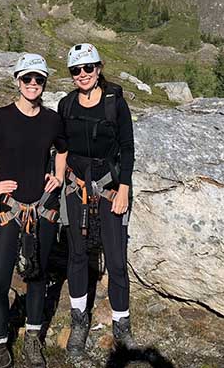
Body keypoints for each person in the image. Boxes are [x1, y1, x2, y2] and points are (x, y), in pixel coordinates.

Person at [0, 53, 67, 368]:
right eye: (27, 78)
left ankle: (32, 338)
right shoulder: (0, 118)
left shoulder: (52, 120)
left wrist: (59, 176)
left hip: (43, 210)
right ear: (18, 81)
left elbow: (63, 150)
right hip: (10, 210)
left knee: (37, 276)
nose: (33, 84)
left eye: (39, 79)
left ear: (44, 83)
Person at [57, 43, 137, 359]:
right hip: (76, 188)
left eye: (88, 68)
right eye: (76, 70)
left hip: (109, 189)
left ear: (98, 68)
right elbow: (60, 147)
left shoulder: (115, 103)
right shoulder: (66, 105)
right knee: (77, 255)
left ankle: (121, 325)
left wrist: (124, 189)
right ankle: (79, 321)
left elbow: (127, 148)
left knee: (116, 258)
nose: (82, 74)